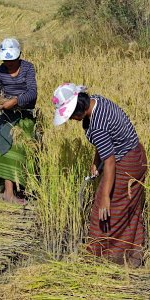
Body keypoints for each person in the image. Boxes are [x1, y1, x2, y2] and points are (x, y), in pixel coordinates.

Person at [52, 83, 147, 267]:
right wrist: (96, 160)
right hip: (137, 156)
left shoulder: (96, 127)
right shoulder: (97, 100)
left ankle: (107, 260)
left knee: (104, 213)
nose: (71, 119)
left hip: (126, 163)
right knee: (129, 208)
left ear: (79, 110)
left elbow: (110, 162)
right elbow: (108, 141)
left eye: (71, 115)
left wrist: (104, 197)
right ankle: (134, 257)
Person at [0, 38, 37, 205]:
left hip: (24, 115)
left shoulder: (28, 68)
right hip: (6, 116)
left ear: (19, 56)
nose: (8, 63)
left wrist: (15, 101)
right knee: (6, 151)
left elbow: (32, 93)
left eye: (12, 60)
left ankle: (21, 190)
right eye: (6, 60)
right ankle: (8, 192)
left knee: (21, 153)